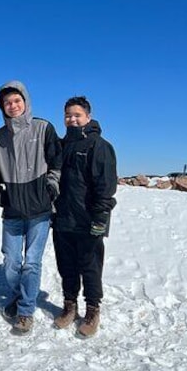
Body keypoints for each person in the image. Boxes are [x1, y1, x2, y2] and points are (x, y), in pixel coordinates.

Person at [0, 80, 62, 334]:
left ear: (25, 101)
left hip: (40, 211)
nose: (13, 106)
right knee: (11, 262)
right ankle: (20, 294)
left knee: (32, 262)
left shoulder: (43, 128)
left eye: (17, 101)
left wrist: (51, 187)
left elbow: (57, 163)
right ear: (2, 106)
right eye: (7, 102)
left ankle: (26, 311)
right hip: (12, 210)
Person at [52, 95, 117, 338]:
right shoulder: (61, 145)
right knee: (66, 266)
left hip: (89, 220)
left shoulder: (99, 146)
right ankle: (69, 307)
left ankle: (92, 310)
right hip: (63, 219)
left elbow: (105, 187)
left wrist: (100, 218)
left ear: (88, 117)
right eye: (68, 115)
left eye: (77, 115)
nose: (72, 119)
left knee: (90, 267)